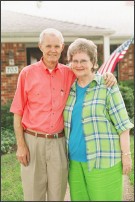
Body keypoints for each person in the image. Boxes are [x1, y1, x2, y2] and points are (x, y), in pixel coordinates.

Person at [10, 28, 117, 201]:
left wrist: (107, 76)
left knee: (57, 195)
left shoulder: (70, 73)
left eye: (56, 46)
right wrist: (21, 145)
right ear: (40, 47)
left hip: (59, 143)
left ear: (62, 48)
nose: (53, 50)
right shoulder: (27, 73)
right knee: (33, 196)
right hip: (32, 142)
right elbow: (17, 112)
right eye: (48, 46)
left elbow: (89, 75)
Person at [63, 38, 134, 201]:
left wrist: (126, 155)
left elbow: (123, 125)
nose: (78, 65)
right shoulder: (69, 88)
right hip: (74, 163)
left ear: (93, 62)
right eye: (74, 61)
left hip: (104, 160)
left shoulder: (107, 86)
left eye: (83, 60)